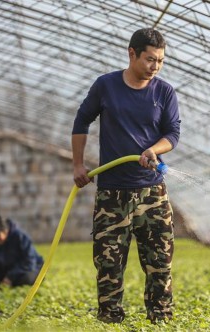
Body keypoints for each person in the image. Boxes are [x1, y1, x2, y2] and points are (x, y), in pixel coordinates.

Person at [71, 28, 180, 324]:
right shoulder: (106, 86)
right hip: (112, 194)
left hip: (152, 193)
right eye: (149, 59)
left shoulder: (164, 91)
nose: (155, 66)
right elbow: (82, 121)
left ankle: (160, 319)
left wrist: (154, 149)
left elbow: (172, 134)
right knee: (109, 265)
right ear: (131, 54)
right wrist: (78, 165)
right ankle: (110, 319)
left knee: (160, 264)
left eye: (160, 61)